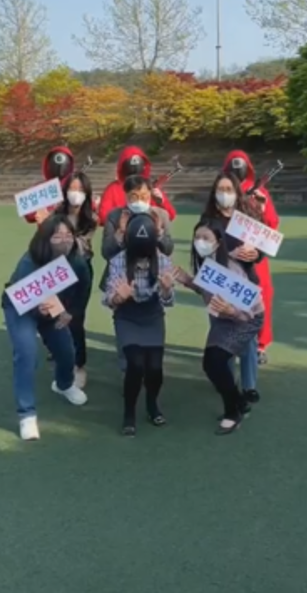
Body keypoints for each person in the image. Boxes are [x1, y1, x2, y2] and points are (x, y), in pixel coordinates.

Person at [174, 215, 264, 436]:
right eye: (196, 237)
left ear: (218, 241)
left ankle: (232, 412)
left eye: (205, 237)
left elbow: (248, 312)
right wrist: (187, 280)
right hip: (224, 319)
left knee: (215, 362)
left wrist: (231, 311)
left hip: (246, 319)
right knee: (212, 364)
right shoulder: (208, 262)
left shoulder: (231, 267)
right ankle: (238, 404)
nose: (199, 241)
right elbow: (207, 288)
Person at [2, 213, 89, 440]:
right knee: (27, 353)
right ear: (45, 238)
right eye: (57, 235)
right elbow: (22, 296)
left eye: (69, 234)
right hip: (21, 308)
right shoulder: (29, 261)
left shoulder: (76, 261)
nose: (65, 239)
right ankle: (27, 414)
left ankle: (64, 384)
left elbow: (84, 289)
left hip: (53, 307)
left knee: (67, 351)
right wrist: (35, 309)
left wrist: (71, 313)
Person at [103, 213, 175, 436]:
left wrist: (166, 289)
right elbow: (108, 299)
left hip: (152, 315)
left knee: (155, 367)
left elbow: (169, 301)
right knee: (135, 364)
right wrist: (119, 297)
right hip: (127, 315)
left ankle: (152, 405)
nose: (144, 258)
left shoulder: (162, 260)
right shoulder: (118, 261)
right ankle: (129, 413)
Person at [222, 150, 279, 363]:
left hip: (256, 258)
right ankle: (231, 342)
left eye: (241, 165)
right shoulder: (222, 191)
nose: (238, 170)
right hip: (229, 255)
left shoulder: (259, 192)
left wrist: (261, 207)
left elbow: (272, 226)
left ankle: (261, 346)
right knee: (231, 299)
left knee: (262, 298)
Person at [59, 172, 98, 388]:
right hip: (57, 271)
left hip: (80, 270)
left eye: (81, 191)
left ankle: (79, 365)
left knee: (76, 318)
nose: (76, 194)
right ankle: (62, 360)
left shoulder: (90, 219)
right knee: (57, 316)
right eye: (73, 189)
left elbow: (81, 246)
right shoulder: (56, 214)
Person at [97, 146, 176, 226]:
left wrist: (162, 202)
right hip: (123, 235)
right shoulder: (112, 189)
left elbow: (170, 215)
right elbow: (103, 217)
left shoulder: (150, 188)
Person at [24, 145, 75, 225]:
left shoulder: (76, 185)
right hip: (47, 234)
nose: (59, 168)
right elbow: (28, 215)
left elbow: (90, 206)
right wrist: (50, 204)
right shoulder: (40, 188)